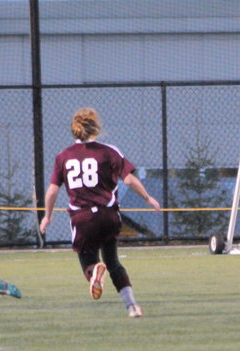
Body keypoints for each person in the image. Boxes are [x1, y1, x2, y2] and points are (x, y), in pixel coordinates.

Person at [39, 108, 160, 318]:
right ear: (96, 127)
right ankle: (132, 306)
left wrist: (47, 216)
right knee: (113, 262)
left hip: (82, 218)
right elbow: (129, 179)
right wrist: (148, 198)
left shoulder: (63, 156)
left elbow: (52, 191)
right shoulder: (109, 151)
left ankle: (94, 272)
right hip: (108, 215)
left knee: (88, 263)